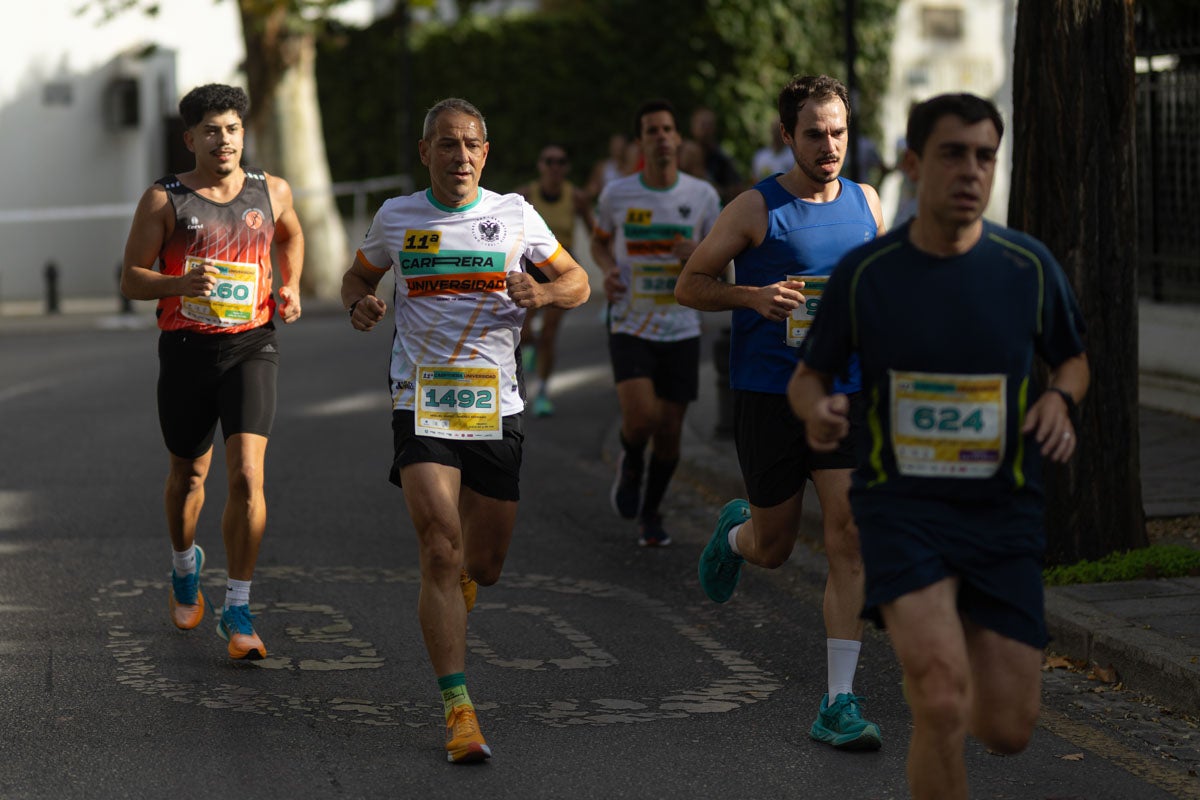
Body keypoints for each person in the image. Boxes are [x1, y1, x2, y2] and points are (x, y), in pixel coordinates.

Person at [788, 93, 1089, 799]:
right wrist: (819, 410)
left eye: (985, 156)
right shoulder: (868, 273)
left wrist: (1058, 397)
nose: (972, 171)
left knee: (1008, 727)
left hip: (1002, 516)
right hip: (904, 510)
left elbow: (1072, 358)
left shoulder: (1027, 266)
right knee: (940, 700)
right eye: (954, 153)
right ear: (915, 163)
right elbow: (809, 376)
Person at [341, 97, 590, 763]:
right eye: (446, 144)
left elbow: (578, 282)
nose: (460, 156)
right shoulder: (397, 218)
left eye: (471, 144)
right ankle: (459, 710)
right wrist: (361, 303)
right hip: (419, 402)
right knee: (440, 548)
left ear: (486, 152)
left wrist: (544, 293)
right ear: (426, 152)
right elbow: (356, 279)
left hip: (495, 406)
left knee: (484, 563)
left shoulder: (514, 215)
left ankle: (463, 587)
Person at [674, 74, 886, 749]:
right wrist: (754, 298)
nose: (828, 145)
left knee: (848, 536)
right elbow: (691, 285)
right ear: (787, 136)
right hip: (768, 395)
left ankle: (839, 703)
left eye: (838, 132)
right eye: (814, 133)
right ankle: (735, 536)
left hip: (841, 395)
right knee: (775, 547)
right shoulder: (755, 209)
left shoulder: (869, 203)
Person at [120, 83, 304, 662]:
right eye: (210, 131)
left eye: (232, 129)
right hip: (185, 350)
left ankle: (239, 607)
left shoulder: (270, 190)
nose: (222, 140)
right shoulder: (164, 199)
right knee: (189, 476)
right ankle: (183, 564)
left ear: (242, 134)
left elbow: (292, 234)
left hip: (251, 345)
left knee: (249, 475)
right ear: (190, 138)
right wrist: (177, 283)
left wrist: (291, 284)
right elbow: (130, 278)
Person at [590, 99, 721, 548]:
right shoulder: (617, 195)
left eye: (668, 128)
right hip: (630, 320)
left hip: (682, 327)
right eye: (652, 130)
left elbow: (721, 257)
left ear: (678, 138)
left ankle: (651, 511)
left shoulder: (702, 196)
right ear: (641, 142)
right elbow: (600, 242)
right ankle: (629, 460)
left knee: (669, 433)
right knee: (642, 416)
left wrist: (700, 255)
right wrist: (607, 268)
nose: (661, 137)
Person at [516, 144, 595, 416]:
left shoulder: (577, 197)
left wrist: (608, 266)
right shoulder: (525, 196)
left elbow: (595, 234)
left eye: (560, 162)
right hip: (528, 272)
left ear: (566, 167)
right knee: (524, 334)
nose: (554, 167)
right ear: (540, 165)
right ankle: (531, 348)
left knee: (548, 335)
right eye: (549, 161)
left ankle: (543, 392)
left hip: (561, 273)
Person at [688, 106, 745, 204]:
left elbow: (736, 191)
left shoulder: (723, 159)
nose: (705, 130)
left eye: (708, 125)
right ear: (693, 127)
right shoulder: (682, 155)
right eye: (702, 125)